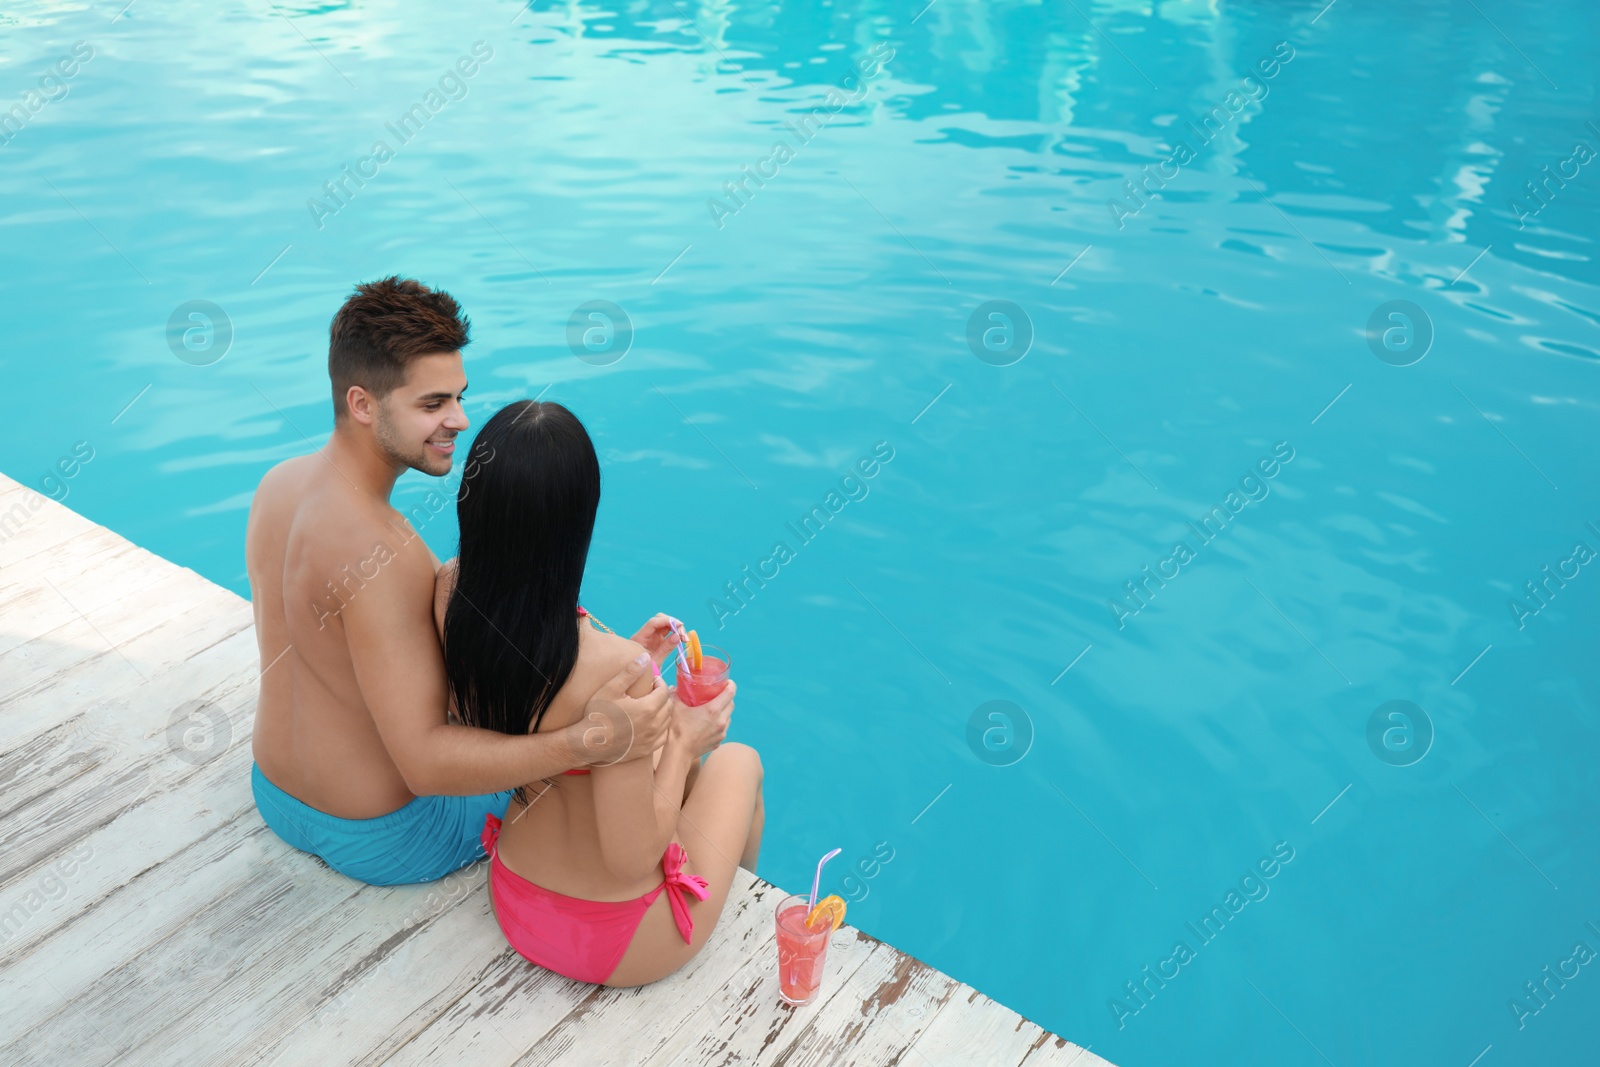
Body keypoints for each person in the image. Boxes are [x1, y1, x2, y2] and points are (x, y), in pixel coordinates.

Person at [244, 276, 719, 886]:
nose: (460, 421)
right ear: (363, 404)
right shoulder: (389, 558)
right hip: (388, 836)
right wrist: (588, 738)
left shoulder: (278, 486)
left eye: (459, 398)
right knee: (645, 753)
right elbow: (427, 763)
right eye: (432, 404)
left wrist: (597, 665)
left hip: (275, 791)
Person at [435, 400, 764, 987]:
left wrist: (630, 656)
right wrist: (687, 743)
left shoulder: (449, 595)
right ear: (579, 520)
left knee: (658, 757)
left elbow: (529, 685)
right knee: (739, 762)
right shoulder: (613, 668)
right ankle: (735, 931)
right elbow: (630, 856)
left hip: (513, 893)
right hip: (615, 939)